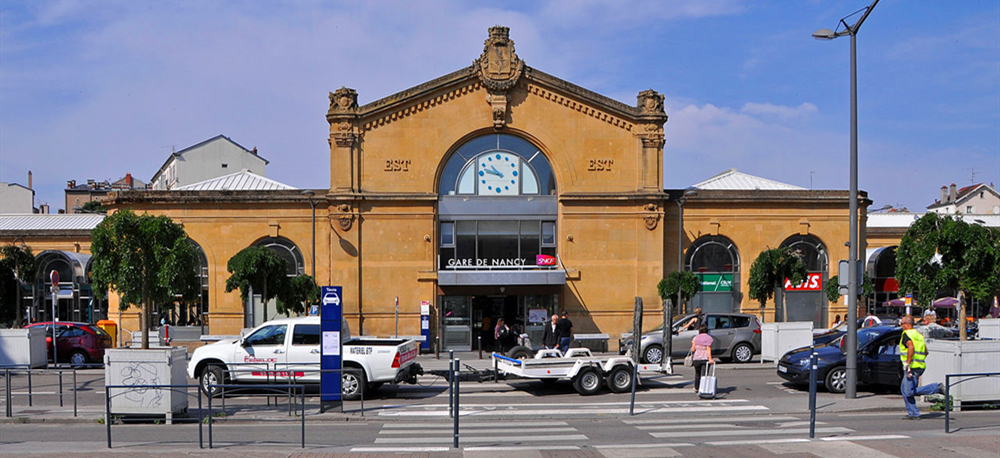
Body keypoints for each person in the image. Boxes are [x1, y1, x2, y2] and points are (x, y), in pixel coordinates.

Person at [899, 315, 945, 420]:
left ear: (907, 324)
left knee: (909, 391)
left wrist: (908, 362)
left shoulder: (906, 334)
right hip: (919, 366)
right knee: (904, 390)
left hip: (911, 368)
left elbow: (911, 346)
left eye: (901, 324)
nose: (901, 326)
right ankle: (913, 413)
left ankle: (936, 388)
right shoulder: (918, 335)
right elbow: (926, 351)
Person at [690, 324, 715, 393]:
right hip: (705, 358)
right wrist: (710, 359)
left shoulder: (695, 338)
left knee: (697, 373)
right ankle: (703, 387)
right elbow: (708, 349)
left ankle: (696, 388)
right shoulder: (709, 338)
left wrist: (693, 343)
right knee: (704, 375)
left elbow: (693, 350)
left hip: (696, 358)